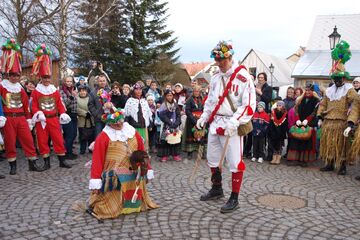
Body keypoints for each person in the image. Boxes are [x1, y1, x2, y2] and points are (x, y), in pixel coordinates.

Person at [196, 41, 256, 213]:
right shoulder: (215, 77)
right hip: (216, 123)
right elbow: (211, 101)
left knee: (235, 162)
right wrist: (204, 117)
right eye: (217, 60)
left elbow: (249, 105)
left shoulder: (243, 77)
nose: (220, 63)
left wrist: (235, 121)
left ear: (230, 57)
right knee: (213, 158)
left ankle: (234, 198)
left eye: (223, 60)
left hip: (232, 125)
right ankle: (217, 188)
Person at [88, 108, 158, 219]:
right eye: (114, 123)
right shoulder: (103, 137)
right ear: (109, 124)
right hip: (114, 176)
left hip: (134, 172)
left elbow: (142, 151)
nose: (118, 124)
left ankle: (132, 206)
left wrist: (147, 169)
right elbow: (97, 160)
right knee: (109, 208)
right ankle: (115, 206)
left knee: (134, 192)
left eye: (120, 121)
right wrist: (96, 180)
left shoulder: (132, 131)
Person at [0, 39, 44, 175]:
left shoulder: (20, 88)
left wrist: (29, 119)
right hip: (8, 119)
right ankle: (13, 166)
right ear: (8, 75)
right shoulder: (2, 86)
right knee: (10, 142)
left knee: (28, 140)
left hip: (21, 119)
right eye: (12, 75)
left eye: (17, 75)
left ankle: (32, 163)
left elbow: (26, 105)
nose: (14, 77)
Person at [318, 40, 358, 175]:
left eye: (339, 78)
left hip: (341, 122)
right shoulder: (329, 90)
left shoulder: (349, 90)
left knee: (341, 145)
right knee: (328, 143)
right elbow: (323, 103)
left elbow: (356, 105)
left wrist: (351, 123)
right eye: (335, 78)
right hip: (328, 121)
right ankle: (329, 163)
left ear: (344, 79)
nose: (337, 81)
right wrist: (319, 116)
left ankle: (342, 165)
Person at [31, 43, 72, 169]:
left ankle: (62, 161)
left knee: (58, 139)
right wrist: (38, 113)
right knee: (43, 141)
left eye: (48, 77)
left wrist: (63, 113)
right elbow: (33, 106)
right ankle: (46, 163)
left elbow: (59, 103)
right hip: (42, 120)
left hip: (54, 118)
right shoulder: (36, 91)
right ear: (41, 78)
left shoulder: (54, 90)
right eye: (44, 77)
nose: (47, 80)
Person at [287, 84, 319, 167]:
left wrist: (307, 120)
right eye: (306, 90)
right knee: (296, 141)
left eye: (309, 90)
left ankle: (304, 160)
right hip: (299, 122)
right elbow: (296, 109)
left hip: (309, 124)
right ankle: (295, 159)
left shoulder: (316, 101)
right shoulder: (301, 99)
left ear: (312, 91)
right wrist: (297, 119)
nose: (307, 92)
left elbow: (315, 112)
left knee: (306, 142)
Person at [124, 83, 153, 151]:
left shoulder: (144, 101)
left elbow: (148, 114)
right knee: (135, 144)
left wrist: (150, 124)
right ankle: (135, 159)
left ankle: (144, 157)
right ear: (133, 91)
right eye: (137, 89)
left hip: (143, 126)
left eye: (140, 89)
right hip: (134, 127)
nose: (139, 91)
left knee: (144, 142)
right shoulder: (130, 101)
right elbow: (127, 115)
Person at [157, 89, 182, 162]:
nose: (169, 97)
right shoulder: (163, 105)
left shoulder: (175, 105)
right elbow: (162, 116)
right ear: (165, 96)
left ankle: (175, 155)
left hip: (175, 125)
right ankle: (165, 155)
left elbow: (178, 115)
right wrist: (170, 123)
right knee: (165, 140)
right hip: (166, 125)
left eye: (171, 95)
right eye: (168, 95)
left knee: (175, 140)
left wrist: (176, 123)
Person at [183, 85, 206, 160]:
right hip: (191, 121)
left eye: (198, 91)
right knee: (191, 136)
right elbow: (187, 110)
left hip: (201, 120)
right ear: (193, 92)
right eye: (195, 91)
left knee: (201, 136)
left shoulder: (202, 99)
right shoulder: (189, 99)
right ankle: (190, 153)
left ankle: (201, 153)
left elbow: (204, 109)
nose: (196, 93)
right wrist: (193, 119)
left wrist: (202, 118)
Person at [60, 76, 78, 160]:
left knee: (74, 134)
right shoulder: (62, 91)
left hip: (74, 114)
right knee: (69, 135)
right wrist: (71, 97)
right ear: (64, 82)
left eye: (70, 81)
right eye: (67, 81)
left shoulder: (73, 90)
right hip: (67, 115)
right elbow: (64, 104)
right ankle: (68, 153)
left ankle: (69, 150)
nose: (69, 83)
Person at [77, 84, 95, 154]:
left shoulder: (90, 98)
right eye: (81, 91)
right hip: (82, 121)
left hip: (91, 121)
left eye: (84, 91)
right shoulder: (77, 99)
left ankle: (90, 149)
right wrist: (84, 113)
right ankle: (82, 150)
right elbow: (77, 108)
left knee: (91, 136)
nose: (82, 92)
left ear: (86, 91)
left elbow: (93, 106)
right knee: (82, 137)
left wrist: (90, 112)